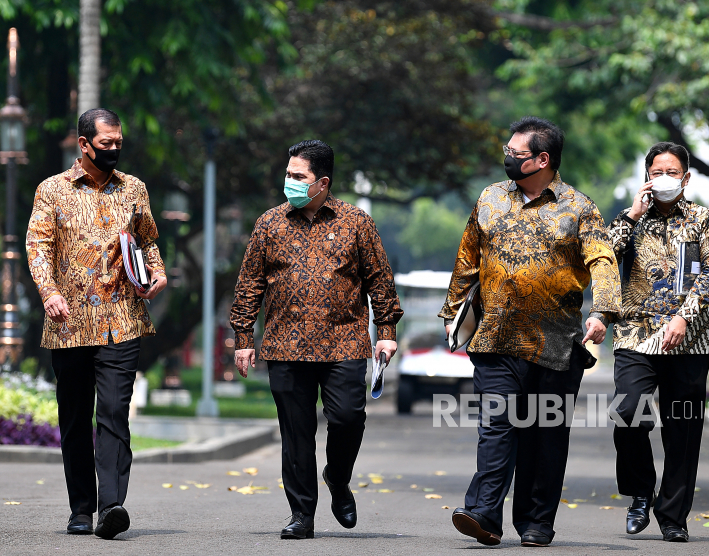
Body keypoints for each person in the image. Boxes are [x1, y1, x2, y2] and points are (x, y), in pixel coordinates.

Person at [441, 116, 622, 547]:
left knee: (545, 436)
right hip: (496, 340)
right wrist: (452, 314)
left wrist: (602, 312)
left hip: (556, 346)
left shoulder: (579, 207)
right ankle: (484, 513)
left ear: (542, 159)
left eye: (515, 154)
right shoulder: (489, 199)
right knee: (497, 424)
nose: (506, 158)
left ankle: (536, 522)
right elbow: (467, 258)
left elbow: (602, 260)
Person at [230, 139, 404, 540]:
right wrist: (243, 336)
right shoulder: (269, 223)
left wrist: (387, 332)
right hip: (284, 345)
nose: (288, 181)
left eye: (297, 176)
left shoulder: (356, 222)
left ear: (322, 182)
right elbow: (249, 285)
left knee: (347, 418)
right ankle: (301, 515)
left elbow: (380, 280)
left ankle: (337, 478)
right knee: (296, 434)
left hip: (344, 343)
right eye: (287, 174)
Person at [26, 108, 167, 539]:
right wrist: (49, 292)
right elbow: (38, 246)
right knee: (73, 417)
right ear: (84, 144)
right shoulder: (52, 191)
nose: (114, 150)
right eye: (106, 144)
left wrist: (157, 273)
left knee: (112, 411)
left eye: (119, 144)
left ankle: (111, 507)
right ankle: (81, 507)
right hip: (69, 324)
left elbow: (146, 241)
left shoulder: (134, 189)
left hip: (122, 319)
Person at [608, 141, 709, 542]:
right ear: (646, 177)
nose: (664, 179)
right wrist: (630, 215)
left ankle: (673, 515)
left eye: (671, 172)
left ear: (686, 178)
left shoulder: (703, 219)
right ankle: (640, 491)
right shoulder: (631, 218)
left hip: (689, 339)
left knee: (683, 430)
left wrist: (682, 317)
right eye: (656, 172)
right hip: (636, 334)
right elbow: (604, 259)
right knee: (627, 413)